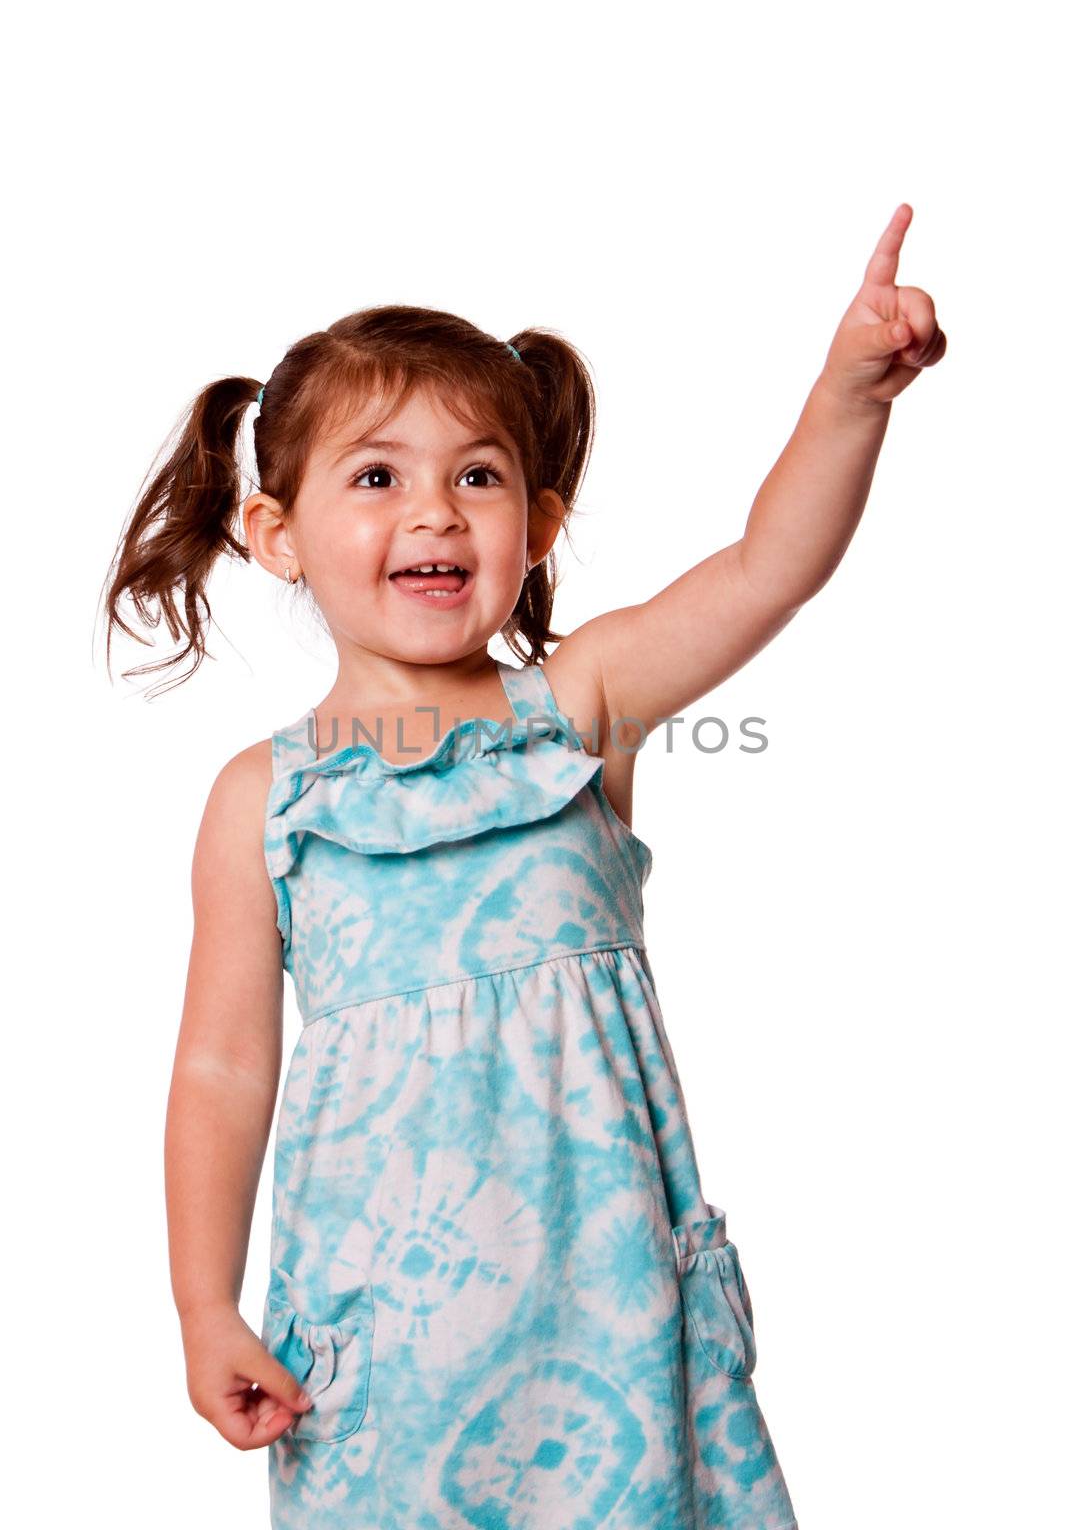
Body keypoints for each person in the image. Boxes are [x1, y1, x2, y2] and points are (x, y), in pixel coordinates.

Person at [102, 201, 944, 1529]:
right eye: (377, 478)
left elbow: (770, 569)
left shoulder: (577, 711)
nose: (434, 511)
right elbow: (221, 1063)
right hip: (387, 1354)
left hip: (611, 1323)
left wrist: (851, 393)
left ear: (537, 523)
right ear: (276, 533)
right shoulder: (266, 796)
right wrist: (205, 1304)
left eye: (477, 477)